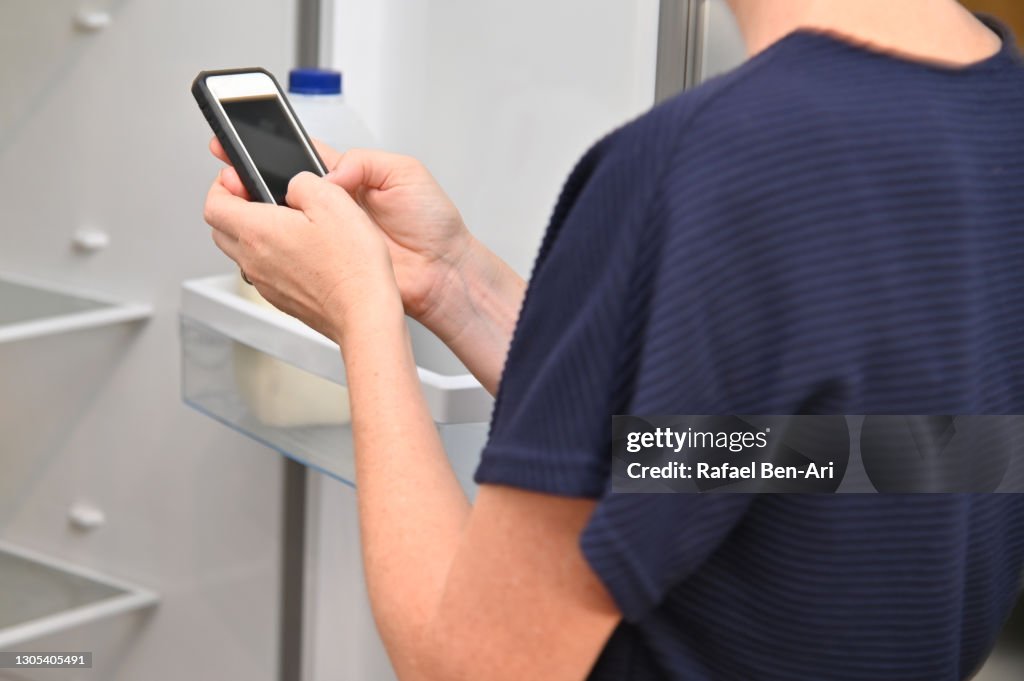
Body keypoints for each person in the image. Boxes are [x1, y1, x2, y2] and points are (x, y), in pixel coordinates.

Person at [202, 0, 1024, 678]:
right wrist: (454, 282)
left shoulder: (699, 164)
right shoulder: (995, 99)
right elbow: (826, 458)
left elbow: (465, 667)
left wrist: (363, 314)